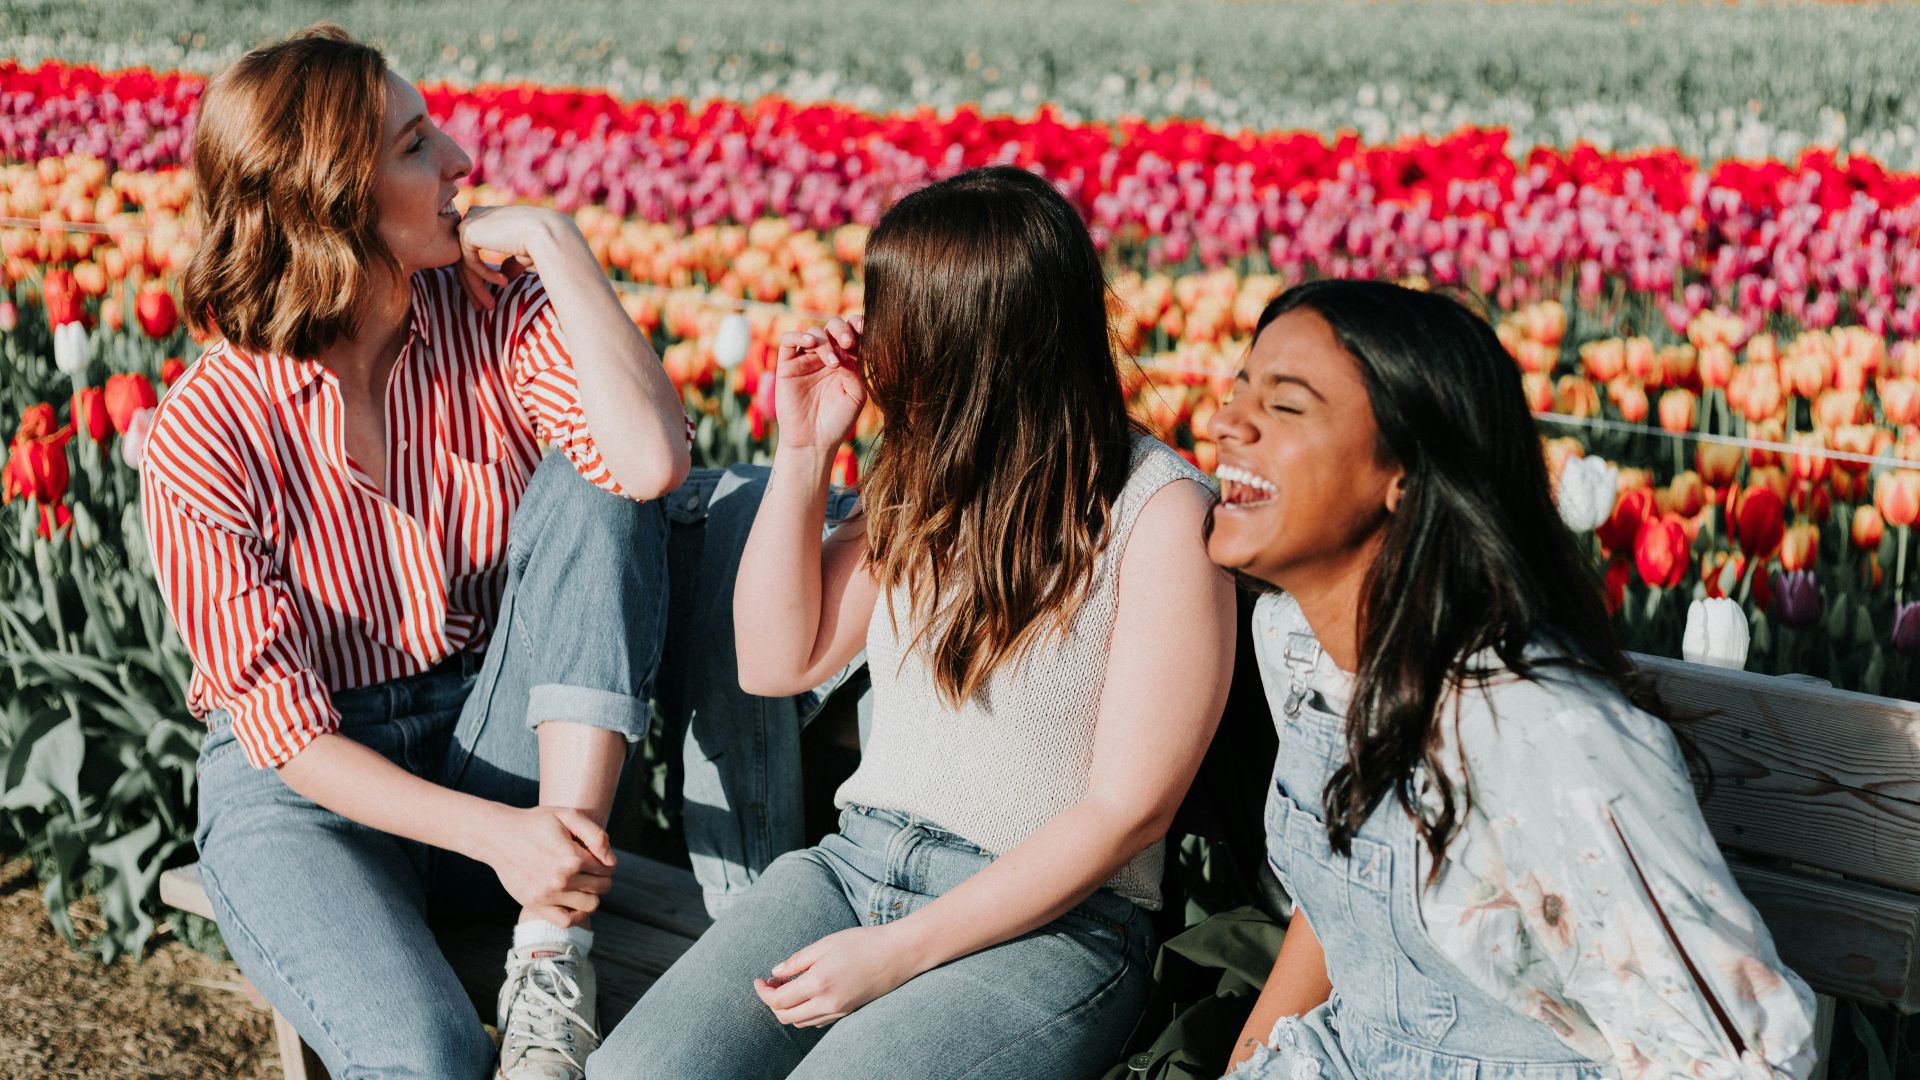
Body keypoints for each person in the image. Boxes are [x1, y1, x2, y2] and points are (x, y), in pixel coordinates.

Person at [591, 165, 1237, 1079]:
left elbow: (1129, 811)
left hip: (1053, 925)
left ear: (967, 337)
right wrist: (808, 447)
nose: (870, 333)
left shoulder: (1159, 512)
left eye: (889, 308)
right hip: (852, 871)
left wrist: (897, 955)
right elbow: (776, 661)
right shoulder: (926, 483)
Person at [139, 25, 691, 1080]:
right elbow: (287, 736)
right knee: (426, 1059)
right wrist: (498, 836)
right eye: (415, 145)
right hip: (313, 800)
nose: (461, 164)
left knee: (596, 478)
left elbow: (649, 463)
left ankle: (550, 952)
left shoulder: (492, 312)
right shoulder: (205, 432)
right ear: (330, 197)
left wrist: (561, 249)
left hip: (504, 746)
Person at [1206, 280, 1817, 1079]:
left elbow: (1741, 1059)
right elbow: (1342, 919)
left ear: (1407, 472)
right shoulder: (1295, 640)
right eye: (1239, 387)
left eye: (1286, 407)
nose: (1226, 422)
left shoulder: (1536, 729)